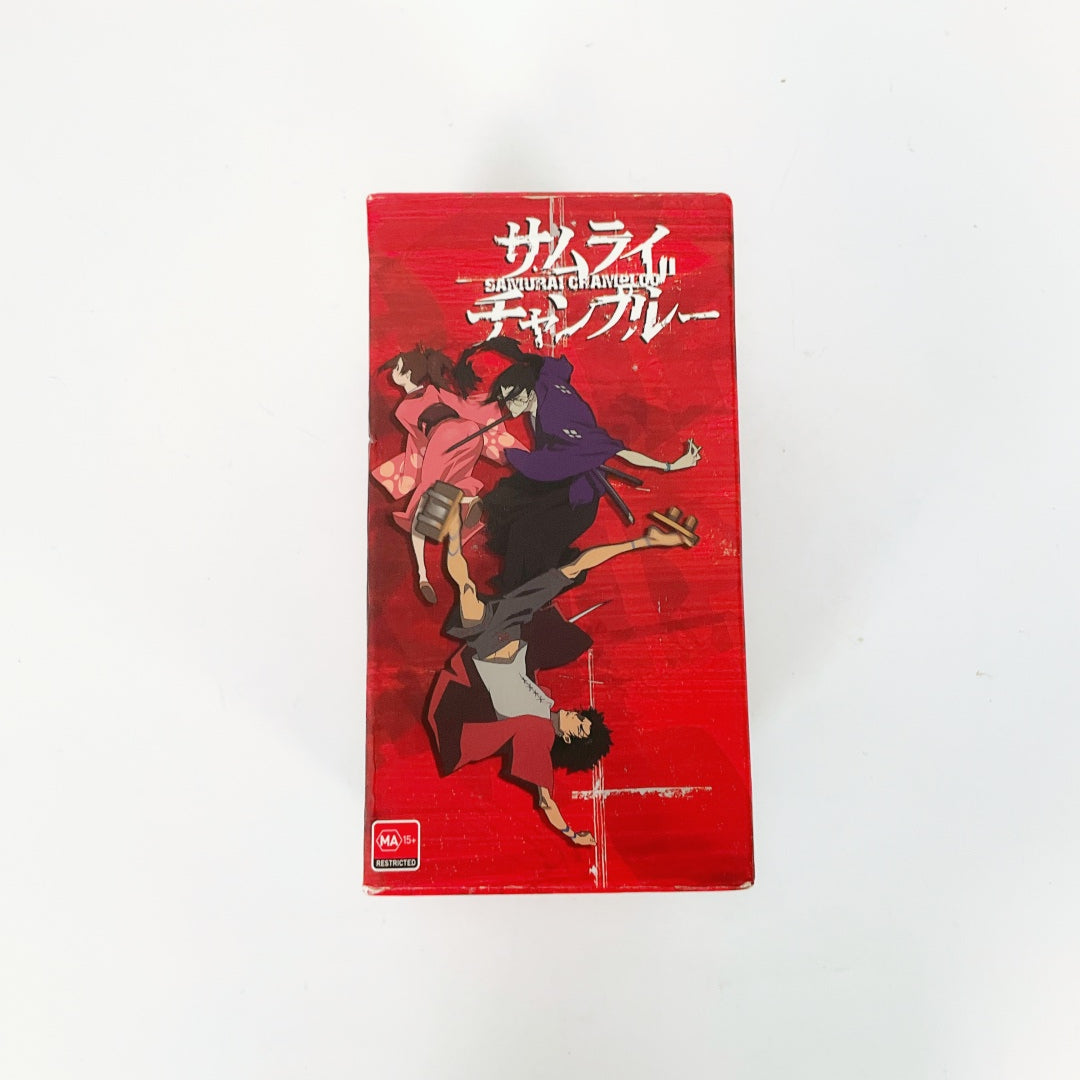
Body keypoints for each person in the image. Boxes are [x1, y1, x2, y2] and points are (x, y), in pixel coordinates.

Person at [424, 499, 695, 845]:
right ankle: (647, 541)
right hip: (513, 629)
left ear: (569, 738)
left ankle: (452, 531)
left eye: (579, 725)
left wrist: (570, 833)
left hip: (486, 642)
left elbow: (546, 799)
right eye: (582, 718)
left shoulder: (537, 735)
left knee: (466, 592)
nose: (575, 716)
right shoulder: (544, 707)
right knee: (571, 570)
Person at [456, 337, 702, 591]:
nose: (509, 406)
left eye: (513, 399)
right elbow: (546, 367)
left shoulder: (559, 417)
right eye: (506, 400)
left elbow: (615, 449)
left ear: (528, 393)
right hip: (555, 483)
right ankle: (515, 580)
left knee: (528, 533)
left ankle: (520, 587)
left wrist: (669, 466)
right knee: (515, 517)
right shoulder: (542, 384)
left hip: (576, 497)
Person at [370, 344, 525, 604]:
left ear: (406, 373)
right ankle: (468, 501)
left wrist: (410, 474)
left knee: (419, 507)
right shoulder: (436, 390)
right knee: (452, 488)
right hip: (469, 434)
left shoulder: (402, 409)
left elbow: (419, 444)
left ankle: (422, 575)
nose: (392, 373)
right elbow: (464, 408)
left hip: (443, 438)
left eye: (396, 368)